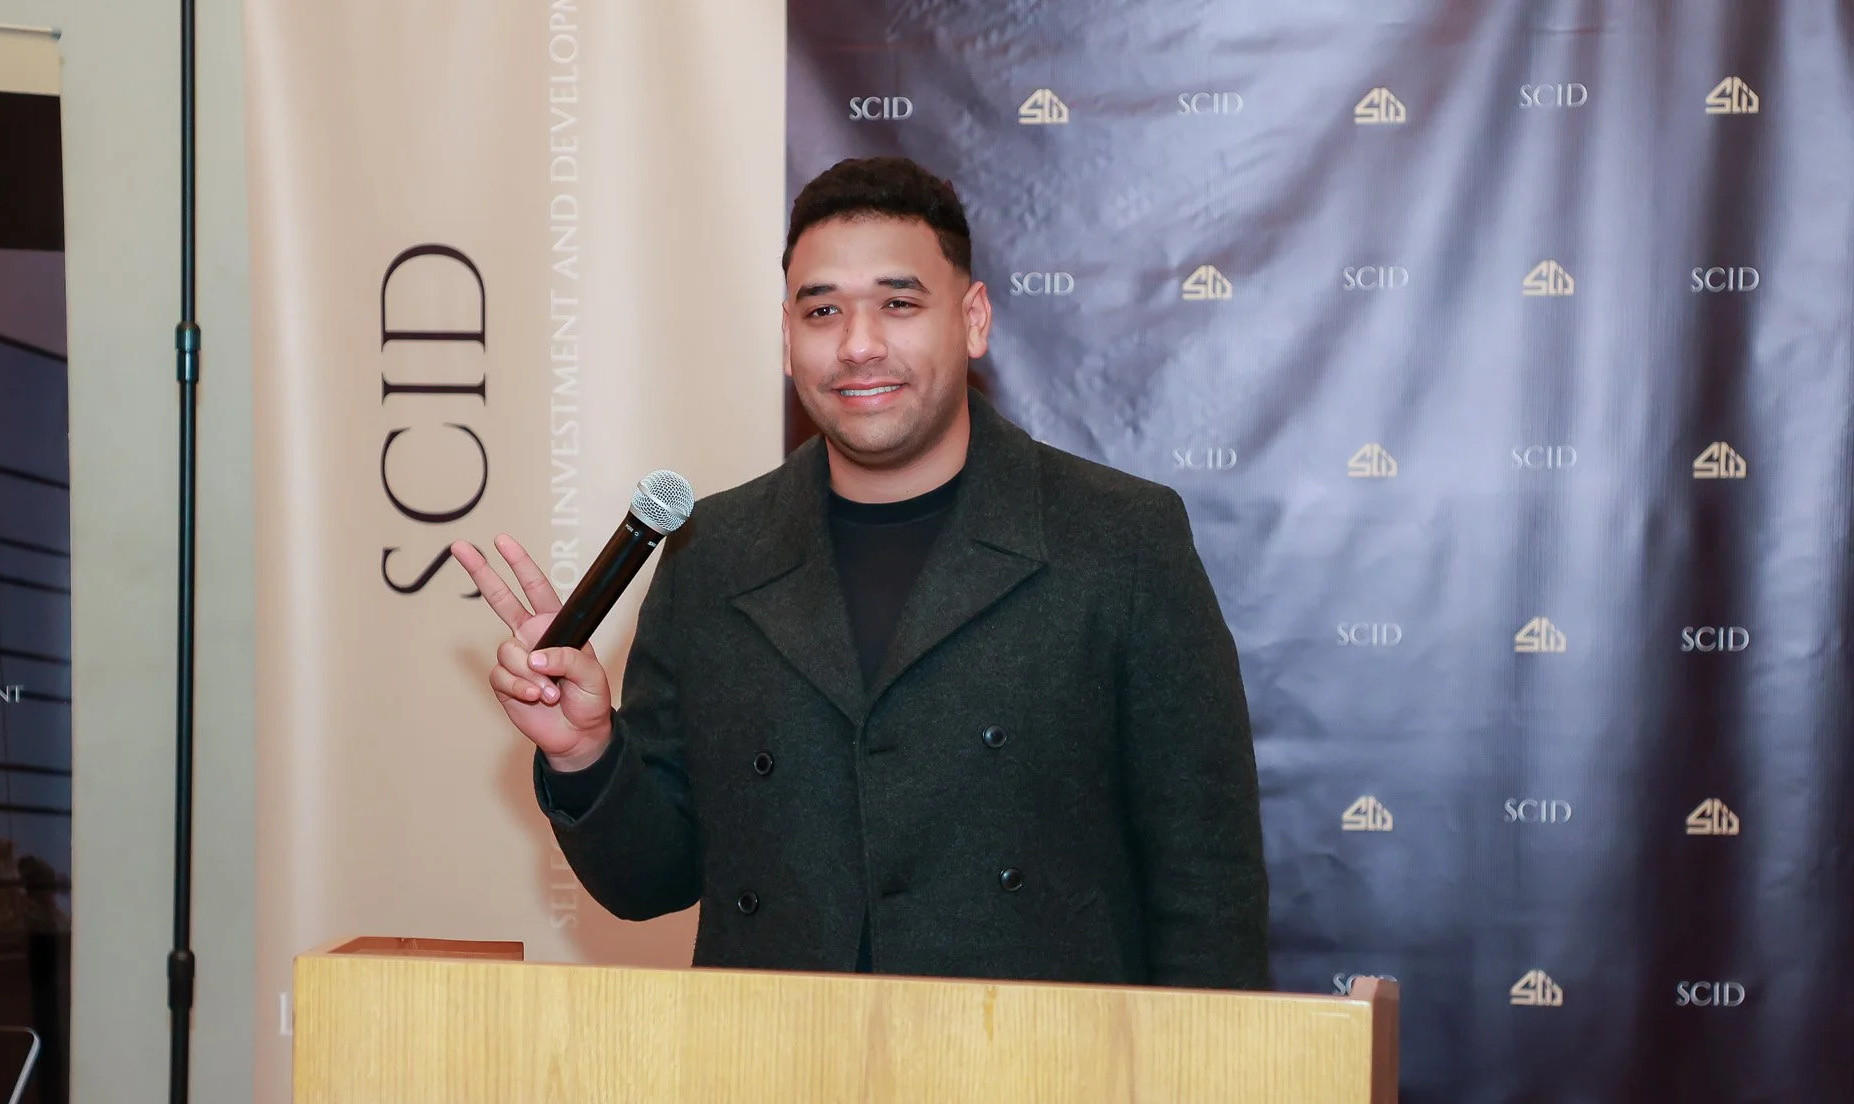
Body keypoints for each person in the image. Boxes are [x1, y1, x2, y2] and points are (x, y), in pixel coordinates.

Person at [451, 156, 1268, 987]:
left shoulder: (1119, 539)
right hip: (774, 1080)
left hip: (1041, 1088)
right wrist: (588, 751)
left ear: (974, 319)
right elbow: (649, 878)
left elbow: (1209, 886)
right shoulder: (714, 550)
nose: (859, 344)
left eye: (899, 304)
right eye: (823, 310)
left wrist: (1191, 1102)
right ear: (786, 337)